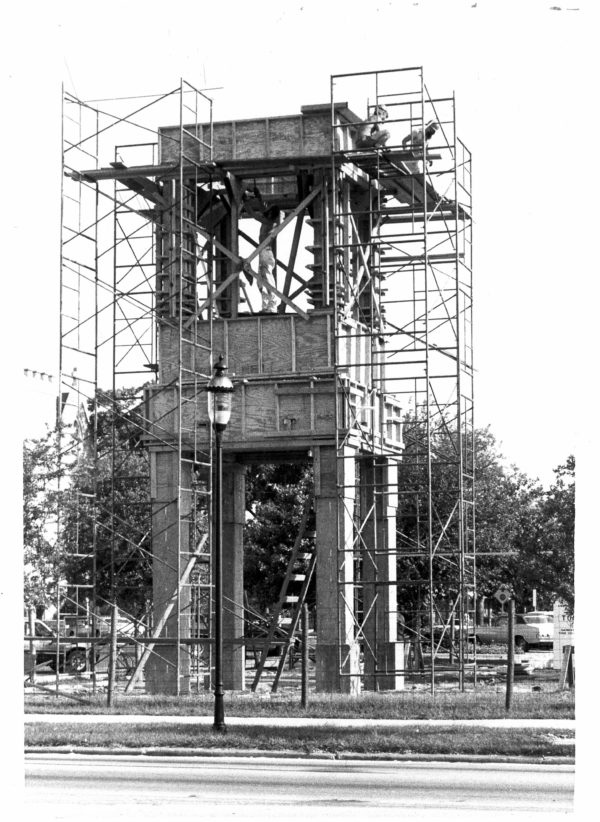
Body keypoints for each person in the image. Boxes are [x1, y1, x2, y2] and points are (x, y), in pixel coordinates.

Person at [242, 188, 281, 312]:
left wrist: (245, 202)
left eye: (269, 209)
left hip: (265, 252)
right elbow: (262, 207)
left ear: (271, 213)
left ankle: (272, 304)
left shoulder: (269, 222)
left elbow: (253, 214)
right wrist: (259, 197)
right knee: (262, 281)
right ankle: (266, 306)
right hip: (264, 252)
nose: (266, 210)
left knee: (266, 279)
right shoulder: (270, 219)